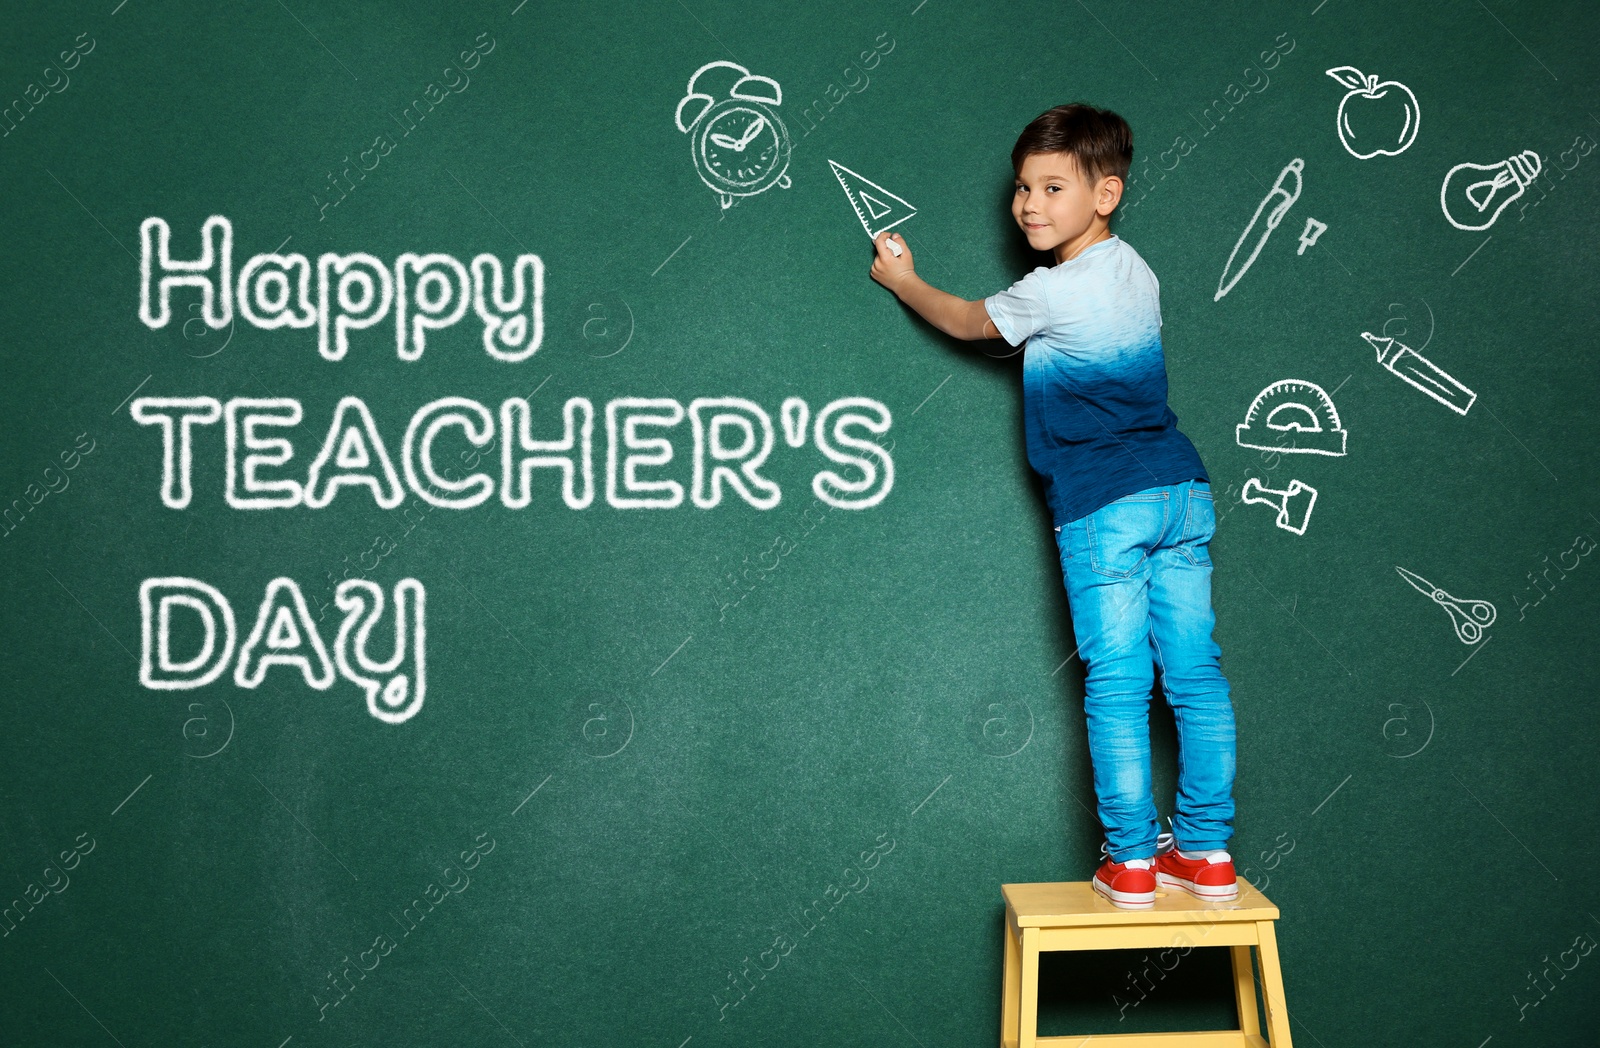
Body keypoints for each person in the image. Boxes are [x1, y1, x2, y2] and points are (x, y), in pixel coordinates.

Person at [867, 102, 1238, 909]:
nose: (1029, 205)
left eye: (1052, 187)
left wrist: (903, 279)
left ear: (1105, 194)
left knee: (1116, 682)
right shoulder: (1138, 271)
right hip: (1181, 491)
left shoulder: (1050, 292)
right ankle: (1206, 851)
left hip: (1104, 504)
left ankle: (1133, 859)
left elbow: (970, 322)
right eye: (1022, 188)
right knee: (1196, 676)